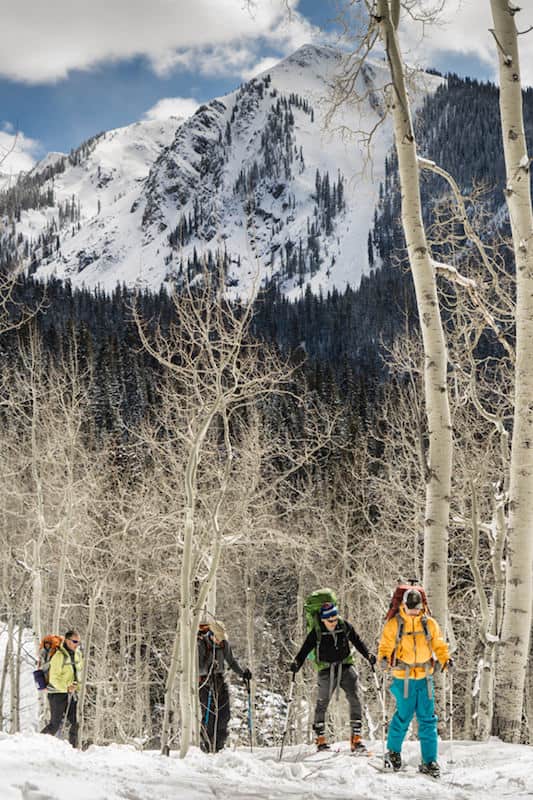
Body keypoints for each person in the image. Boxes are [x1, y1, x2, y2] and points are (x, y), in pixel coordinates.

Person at [377, 588, 452, 779]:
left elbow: (439, 644)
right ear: (403, 605)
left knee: (427, 720)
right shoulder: (394, 624)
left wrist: (445, 659)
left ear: (421, 606)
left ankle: (429, 761)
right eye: (410, 608)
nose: (413, 611)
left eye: (416, 608)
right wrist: (384, 659)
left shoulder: (429, 624)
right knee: (403, 716)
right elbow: (385, 646)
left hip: (425, 678)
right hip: (404, 678)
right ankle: (393, 753)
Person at [289, 601, 376, 752]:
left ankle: (356, 738)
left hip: (346, 665)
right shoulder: (316, 631)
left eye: (335, 619)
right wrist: (297, 662)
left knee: (355, 697)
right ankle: (320, 739)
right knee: (322, 703)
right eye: (330, 620)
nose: (334, 622)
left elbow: (357, 640)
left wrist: (368, 655)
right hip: (326, 669)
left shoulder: (343, 625)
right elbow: (305, 649)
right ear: (323, 619)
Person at [197, 620, 251, 753]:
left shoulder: (223, 644)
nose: (219, 640)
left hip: (220, 681)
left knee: (224, 715)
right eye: (217, 637)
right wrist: (208, 669)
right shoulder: (201, 644)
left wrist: (243, 673)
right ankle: (206, 746)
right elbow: (197, 667)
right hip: (205, 682)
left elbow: (231, 661)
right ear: (211, 634)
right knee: (209, 716)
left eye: (221, 637)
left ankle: (219, 745)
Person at [40, 630, 83, 748]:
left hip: (71, 693)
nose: (77, 644)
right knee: (55, 724)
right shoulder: (59, 656)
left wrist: (77, 687)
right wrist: (66, 687)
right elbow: (54, 679)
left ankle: (73, 749)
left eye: (78, 642)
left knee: (75, 723)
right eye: (75, 641)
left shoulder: (78, 654)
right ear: (67, 641)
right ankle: (37, 743)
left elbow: (78, 672)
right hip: (57, 694)